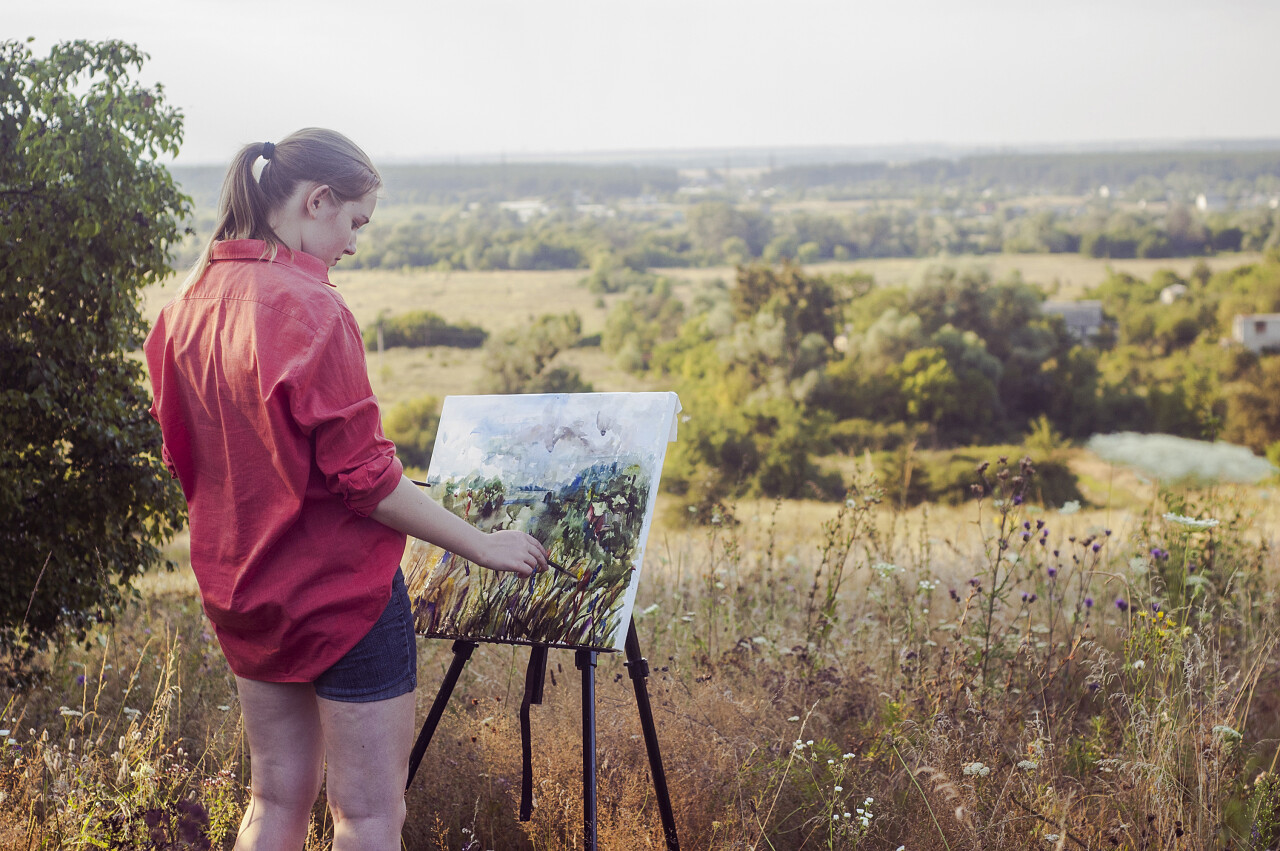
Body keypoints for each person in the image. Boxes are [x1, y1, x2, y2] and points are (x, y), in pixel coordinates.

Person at [144, 127, 548, 850]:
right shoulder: (312, 308)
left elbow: (189, 456)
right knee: (365, 815)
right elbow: (367, 483)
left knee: (272, 798)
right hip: (341, 597)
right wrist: (482, 544)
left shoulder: (186, 304)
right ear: (317, 199)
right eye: (355, 222)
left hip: (244, 589)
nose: (354, 244)